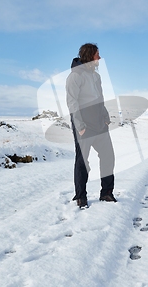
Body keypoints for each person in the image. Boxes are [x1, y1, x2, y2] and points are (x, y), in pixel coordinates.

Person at [66, 43, 116, 209]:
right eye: (97, 55)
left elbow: (100, 99)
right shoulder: (75, 76)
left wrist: (106, 116)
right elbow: (72, 102)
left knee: (108, 156)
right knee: (82, 161)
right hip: (84, 123)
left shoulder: (96, 76)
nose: (99, 58)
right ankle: (81, 196)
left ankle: (107, 193)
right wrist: (79, 125)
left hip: (99, 123)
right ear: (89, 56)